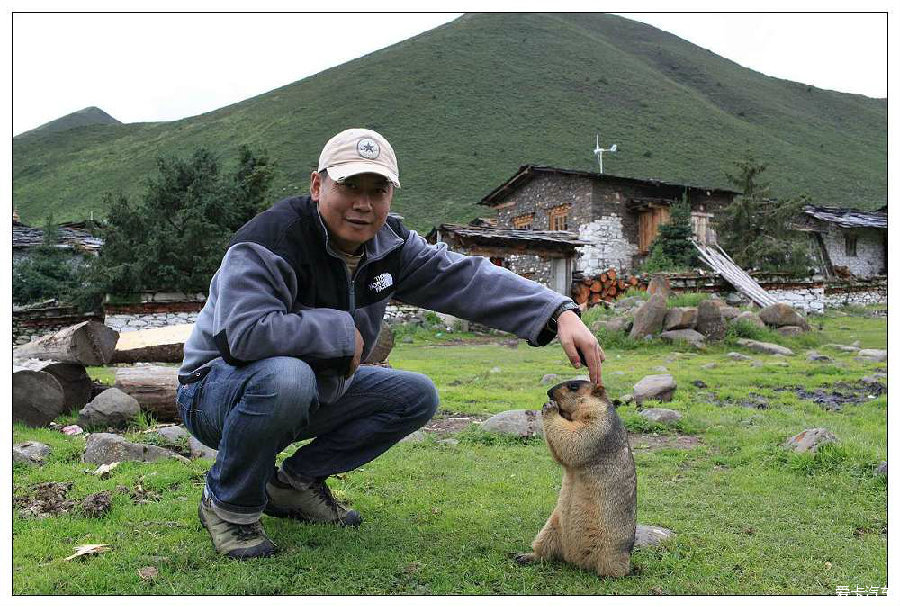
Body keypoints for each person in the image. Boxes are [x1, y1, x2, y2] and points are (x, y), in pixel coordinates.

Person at [176, 127, 604, 559]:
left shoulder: (390, 247)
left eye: (377, 190)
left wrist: (556, 311)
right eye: (349, 186)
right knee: (288, 376)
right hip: (214, 389)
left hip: (312, 388)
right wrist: (340, 331)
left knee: (415, 395)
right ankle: (227, 505)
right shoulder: (268, 241)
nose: (363, 204)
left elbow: (465, 278)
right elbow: (243, 334)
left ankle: (293, 485)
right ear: (317, 185)